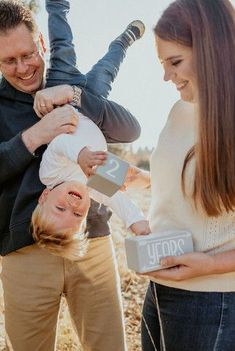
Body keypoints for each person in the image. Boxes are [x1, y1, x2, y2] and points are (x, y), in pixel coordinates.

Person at [0, 1, 144, 350]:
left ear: (42, 46)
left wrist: (75, 96)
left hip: (90, 243)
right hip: (24, 252)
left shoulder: (69, 83)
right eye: (8, 60)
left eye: (28, 54)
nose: (22, 69)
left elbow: (128, 131)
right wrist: (36, 135)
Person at [127, 1, 235, 350]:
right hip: (160, 291)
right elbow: (202, 185)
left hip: (211, 301)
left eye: (175, 62)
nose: (166, 76)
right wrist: (140, 177)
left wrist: (210, 263)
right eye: (162, 64)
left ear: (212, 49)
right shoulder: (179, 110)